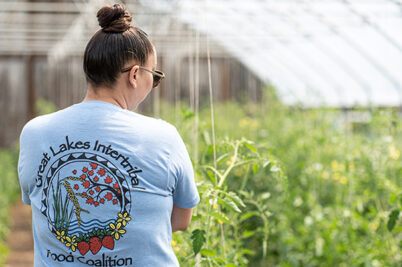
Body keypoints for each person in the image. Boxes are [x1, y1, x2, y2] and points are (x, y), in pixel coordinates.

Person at [17, 3, 200, 266]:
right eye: (155, 76)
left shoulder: (35, 132)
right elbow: (181, 221)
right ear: (135, 75)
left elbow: (38, 206)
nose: (154, 84)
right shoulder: (164, 137)